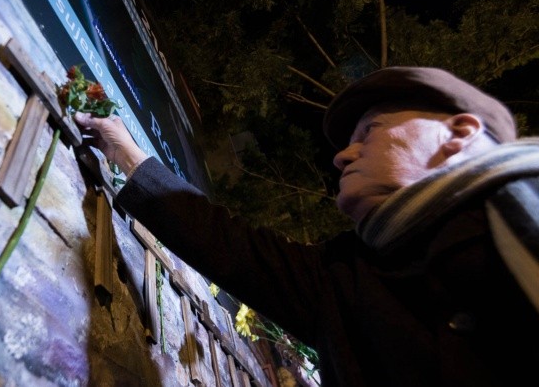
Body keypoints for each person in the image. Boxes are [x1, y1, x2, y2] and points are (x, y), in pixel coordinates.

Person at [74, 66, 539, 387]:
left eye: (370, 131)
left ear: (459, 134)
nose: (342, 156)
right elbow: (231, 245)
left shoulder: (523, 216)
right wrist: (125, 152)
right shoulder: (346, 277)